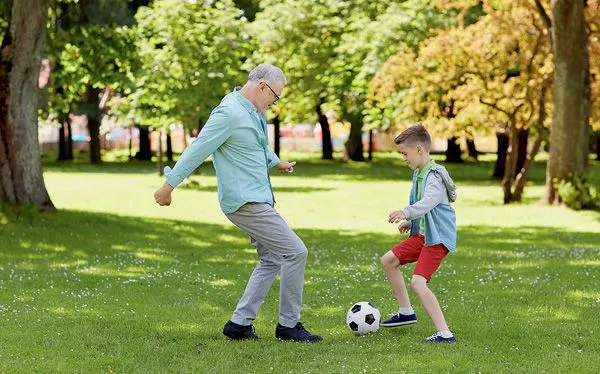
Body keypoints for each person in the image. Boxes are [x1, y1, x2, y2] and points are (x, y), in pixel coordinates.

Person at [153, 64, 322, 343]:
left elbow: (256, 145)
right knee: (295, 252)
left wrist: (275, 161)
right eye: (275, 96)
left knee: (271, 259)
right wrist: (168, 186)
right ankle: (288, 326)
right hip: (246, 201)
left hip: (257, 198)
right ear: (261, 87)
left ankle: (239, 325)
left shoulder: (252, 113)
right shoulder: (228, 113)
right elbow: (198, 149)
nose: (274, 103)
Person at [379, 124, 458, 343]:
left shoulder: (433, 176)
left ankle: (445, 333)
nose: (404, 158)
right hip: (424, 236)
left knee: (418, 282)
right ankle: (406, 312)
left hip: (437, 238)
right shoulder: (418, 173)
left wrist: (405, 212)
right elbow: (421, 206)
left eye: (405, 153)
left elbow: (429, 202)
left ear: (419, 150)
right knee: (388, 261)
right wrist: (409, 221)